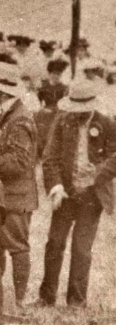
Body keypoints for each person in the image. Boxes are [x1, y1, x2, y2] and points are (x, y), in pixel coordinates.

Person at [38, 80, 116, 308]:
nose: (78, 115)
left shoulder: (107, 124)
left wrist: (95, 176)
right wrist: (56, 187)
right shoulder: (62, 121)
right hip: (65, 194)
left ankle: (76, 302)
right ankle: (46, 298)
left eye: (82, 111)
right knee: (54, 243)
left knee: (81, 248)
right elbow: (50, 158)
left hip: (91, 196)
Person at [0, 63, 38, 313]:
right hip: (6, 195)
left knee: (17, 247)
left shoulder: (20, 118)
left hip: (16, 197)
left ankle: (20, 304)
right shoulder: (8, 114)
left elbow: (20, 162)